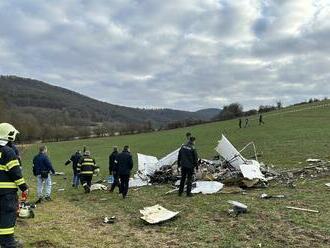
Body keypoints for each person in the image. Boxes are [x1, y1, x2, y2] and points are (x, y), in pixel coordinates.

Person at [0, 123, 28, 248]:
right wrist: (24, 187)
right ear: (9, 135)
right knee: (7, 214)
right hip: (6, 194)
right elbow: (16, 173)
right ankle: (8, 243)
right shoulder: (8, 152)